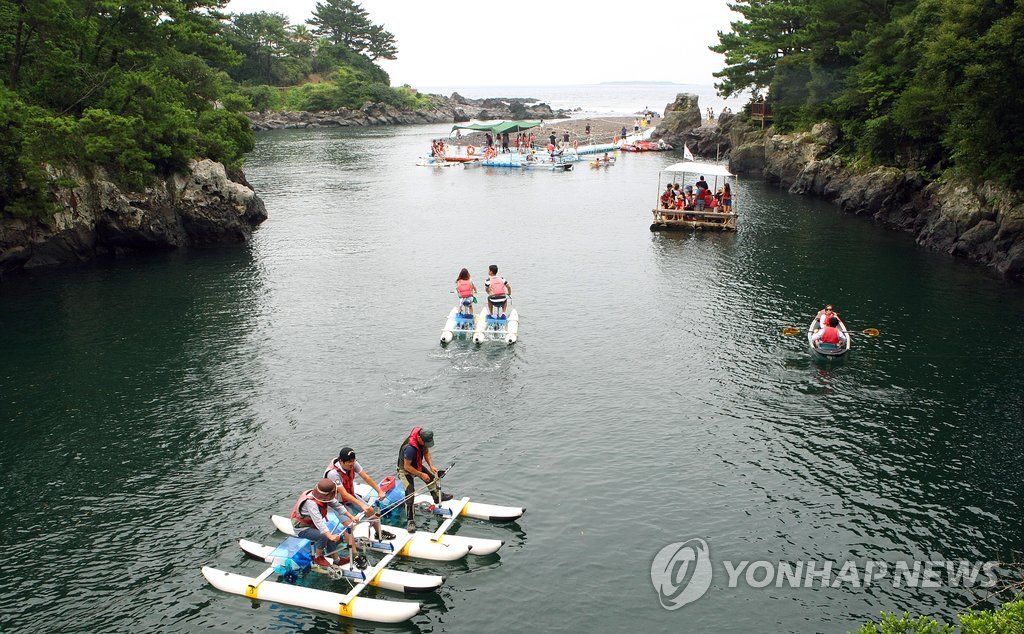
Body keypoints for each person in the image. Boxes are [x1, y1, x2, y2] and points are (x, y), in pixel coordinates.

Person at [290, 478, 366, 569]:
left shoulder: (324, 497)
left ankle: (337, 560)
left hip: (312, 525)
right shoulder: (311, 503)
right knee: (324, 536)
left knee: (330, 537)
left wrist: (351, 516)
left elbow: (338, 506)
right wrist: (330, 536)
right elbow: (319, 522)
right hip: (301, 528)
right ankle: (318, 557)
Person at [325, 447, 397, 542]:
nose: (352, 464)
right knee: (349, 525)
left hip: (350, 495)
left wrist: (379, 491)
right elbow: (344, 494)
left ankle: (379, 533)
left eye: (353, 461)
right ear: (341, 462)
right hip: (337, 502)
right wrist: (362, 505)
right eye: (349, 462)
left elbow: (366, 477)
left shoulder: (353, 463)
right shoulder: (333, 474)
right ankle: (354, 554)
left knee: (370, 511)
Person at [397, 427, 451, 533]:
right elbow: (407, 466)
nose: (427, 445)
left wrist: (431, 466)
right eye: (426, 443)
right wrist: (421, 474)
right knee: (410, 493)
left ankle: (436, 496)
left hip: (417, 466)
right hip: (405, 471)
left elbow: (426, 452)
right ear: (419, 438)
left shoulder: (423, 441)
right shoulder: (409, 448)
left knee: (431, 478)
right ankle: (410, 521)